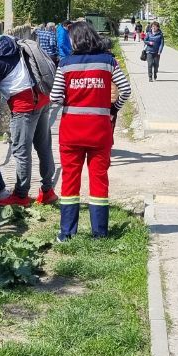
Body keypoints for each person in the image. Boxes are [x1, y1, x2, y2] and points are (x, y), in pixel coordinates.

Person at [0, 20, 57, 207]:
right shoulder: (8, 39)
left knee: (21, 152)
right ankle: (48, 191)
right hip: (42, 95)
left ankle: (21, 196)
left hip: (24, 105)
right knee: (44, 147)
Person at [51, 21, 131, 240]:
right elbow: (125, 89)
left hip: (71, 131)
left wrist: (72, 100)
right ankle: (100, 233)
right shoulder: (108, 61)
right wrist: (112, 108)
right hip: (100, 130)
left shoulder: (65, 64)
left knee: (70, 180)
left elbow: (55, 96)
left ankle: (67, 233)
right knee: (99, 179)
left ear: (75, 39)